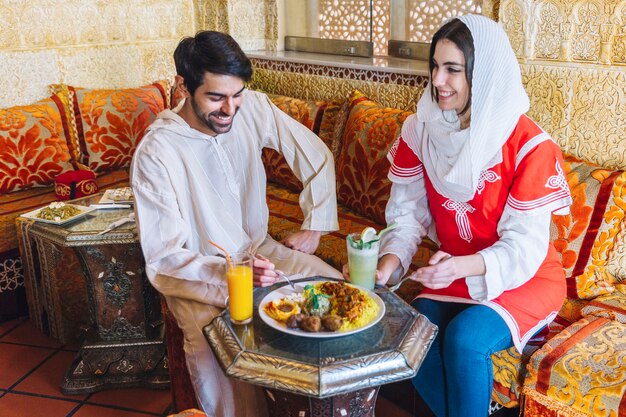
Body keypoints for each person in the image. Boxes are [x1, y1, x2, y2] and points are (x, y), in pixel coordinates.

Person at [130, 31, 342, 417]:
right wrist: (229, 273)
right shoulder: (157, 152)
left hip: (262, 252)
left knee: (336, 296)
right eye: (215, 97)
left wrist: (315, 224)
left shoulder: (251, 108)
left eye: (237, 93)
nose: (230, 109)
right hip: (200, 279)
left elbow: (315, 154)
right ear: (183, 85)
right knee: (226, 354)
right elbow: (164, 260)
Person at [371, 14, 572, 417]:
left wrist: (460, 266)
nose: (438, 81)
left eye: (453, 70)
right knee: (409, 331)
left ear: (483, 74)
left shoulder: (529, 145)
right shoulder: (420, 130)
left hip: (524, 276)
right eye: (434, 66)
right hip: (455, 274)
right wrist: (386, 266)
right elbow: (407, 218)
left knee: (465, 338)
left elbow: (523, 248)